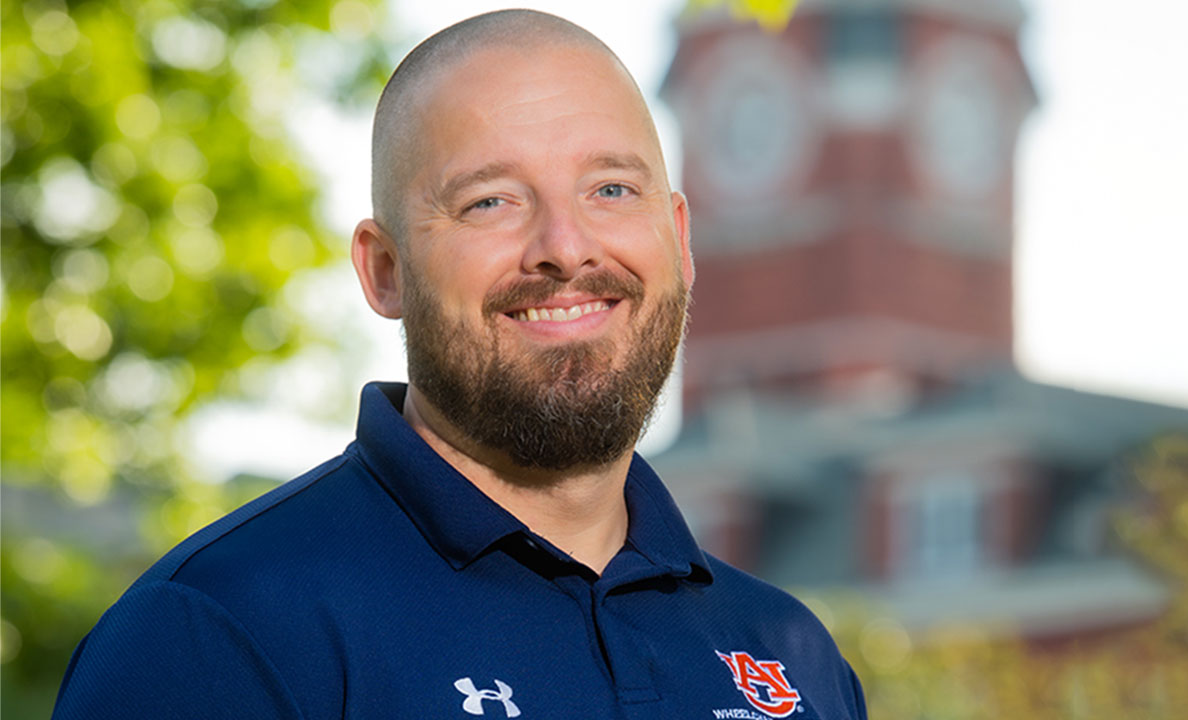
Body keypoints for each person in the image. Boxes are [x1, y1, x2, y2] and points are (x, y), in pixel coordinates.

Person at [52, 9, 868, 719]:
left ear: (680, 238)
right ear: (384, 271)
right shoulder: (219, 633)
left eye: (612, 189)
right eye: (491, 202)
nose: (566, 249)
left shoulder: (793, 657)